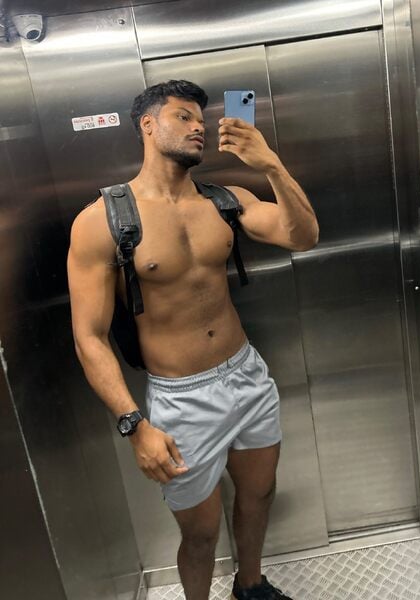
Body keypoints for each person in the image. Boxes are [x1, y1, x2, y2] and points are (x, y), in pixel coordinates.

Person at [67, 80, 318, 600]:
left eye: (200, 119)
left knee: (259, 494)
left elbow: (304, 236)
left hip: (246, 375)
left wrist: (271, 166)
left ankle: (251, 586)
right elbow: (89, 337)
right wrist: (134, 425)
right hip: (182, 398)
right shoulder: (102, 222)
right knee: (201, 534)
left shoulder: (225, 200)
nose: (198, 127)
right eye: (183, 116)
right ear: (148, 125)